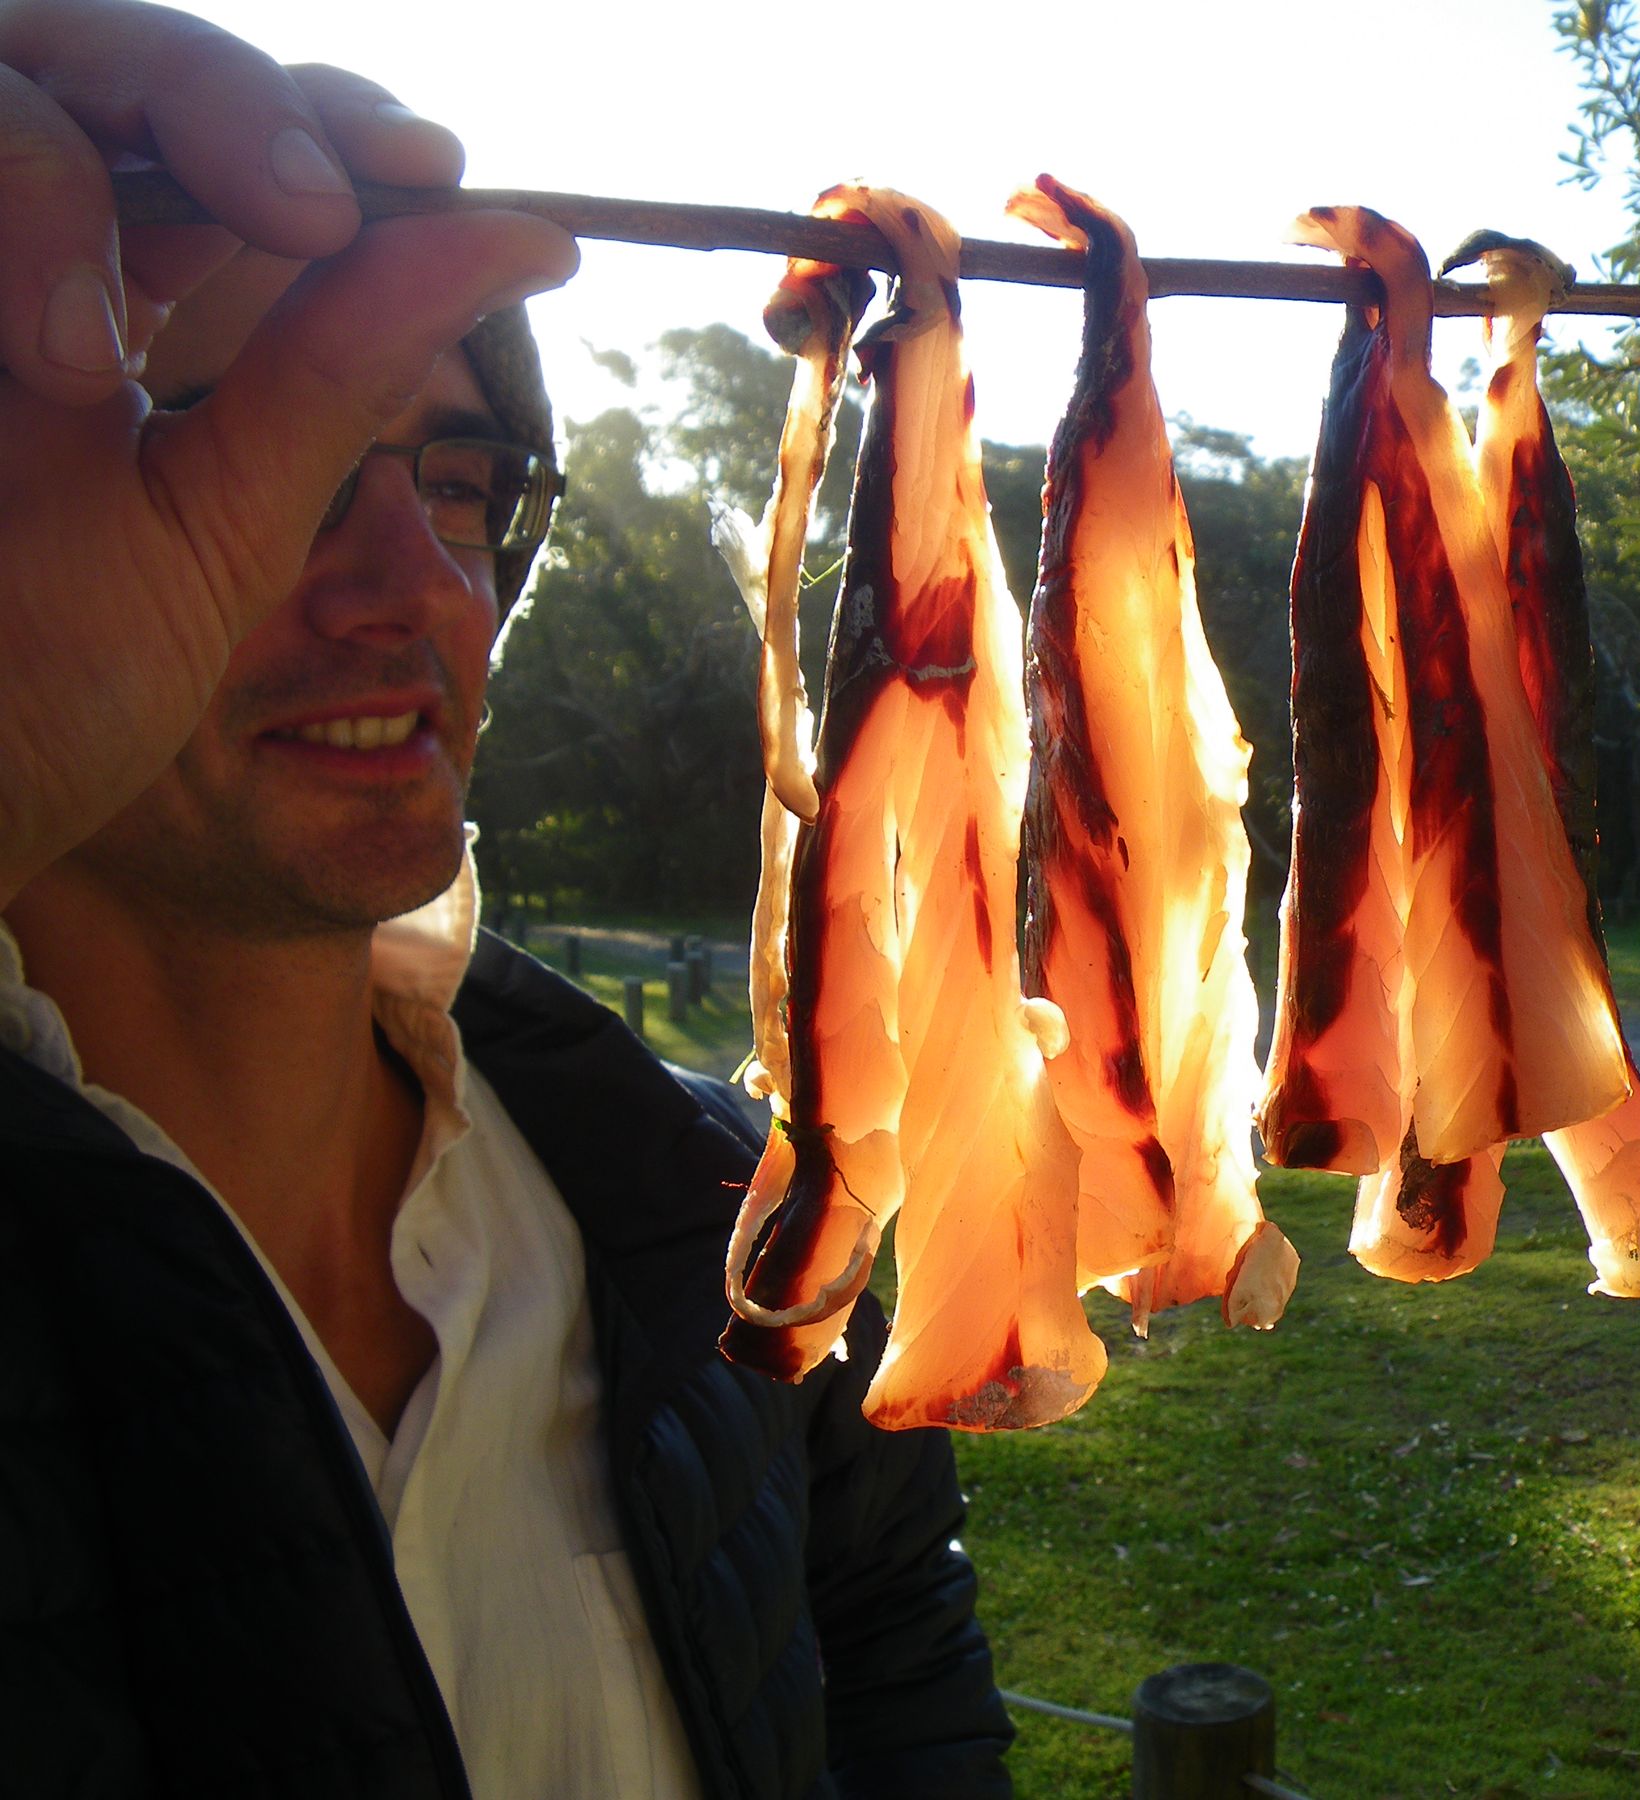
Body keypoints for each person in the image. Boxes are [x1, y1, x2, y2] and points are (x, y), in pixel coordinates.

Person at [0, 3, 1014, 1794]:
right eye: (252, 468)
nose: (416, 587)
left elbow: (897, 1677)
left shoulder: (734, 1228)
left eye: (460, 480)